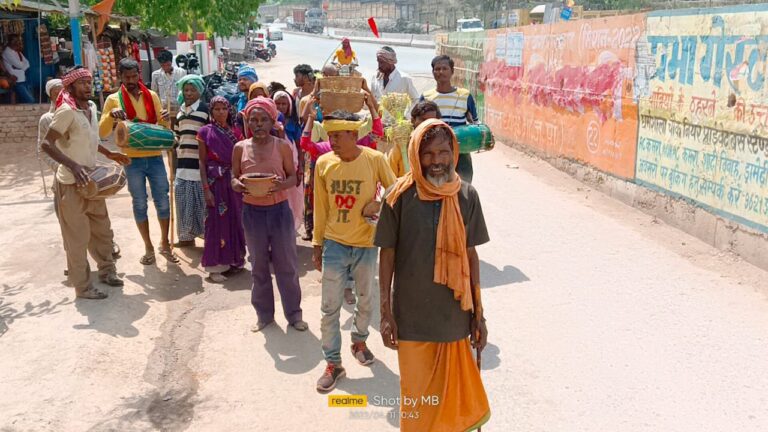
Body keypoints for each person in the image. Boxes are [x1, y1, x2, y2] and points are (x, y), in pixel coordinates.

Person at [376, 119, 490, 431]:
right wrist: (386, 314)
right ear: (415, 154)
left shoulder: (467, 197)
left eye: (443, 152)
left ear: (454, 153)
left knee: (452, 405)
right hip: (411, 319)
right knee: (417, 399)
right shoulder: (396, 197)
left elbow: (470, 255)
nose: (436, 161)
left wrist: (479, 315)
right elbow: (386, 256)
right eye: (427, 154)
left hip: (454, 317)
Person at [312, 110, 396, 393]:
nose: (332, 141)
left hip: (366, 244)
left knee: (365, 300)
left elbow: (395, 190)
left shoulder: (375, 159)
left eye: (338, 136)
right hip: (334, 244)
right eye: (330, 135)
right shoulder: (323, 163)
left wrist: (379, 205)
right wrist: (316, 243)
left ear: (353, 135)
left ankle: (359, 341)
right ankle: (333, 363)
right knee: (329, 308)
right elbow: (320, 207)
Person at [40, 67, 130, 299]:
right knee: (77, 237)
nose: (88, 87)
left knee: (102, 230)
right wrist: (73, 165)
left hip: (92, 181)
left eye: (90, 82)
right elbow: (47, 144)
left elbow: (92, 138)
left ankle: (107, 271)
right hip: (70, 183)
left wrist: (110, 155)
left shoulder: (90, 108)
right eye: (83, 83)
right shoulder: (66, 111)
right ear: (70, 87)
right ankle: (82, 286)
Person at [232, 98, 308, 333]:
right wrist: (239, 185)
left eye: (263, 119)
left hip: (279, 212)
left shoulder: (282, 146)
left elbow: (293, 178)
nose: (258, 124)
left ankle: (294, 315)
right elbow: (234, 178)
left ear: (272, 121)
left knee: (287, 266)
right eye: (253, 119)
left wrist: (278, 186)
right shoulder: (240, 148)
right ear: (247, 122)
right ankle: (264, 315)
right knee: (259, 267)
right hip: (253, 213)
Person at [99, 58, 176, 265]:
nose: (131, 80)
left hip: (154, 157)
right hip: (130, 159)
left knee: (162, 200)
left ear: (139, 75)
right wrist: (112, 117)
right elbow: (102, 131)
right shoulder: (113, 100)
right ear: (120, 77)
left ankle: (164, 244)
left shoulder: (151, 96)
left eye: (134, 76)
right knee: (139, 203)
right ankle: (148, 247)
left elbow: (160, 126)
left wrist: (166, 118)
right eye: (127, 77)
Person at [197, 96, 246, 282]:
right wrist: (206, 189)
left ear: (229, 110)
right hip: (215, 183)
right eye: (216, 109)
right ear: (211, 111)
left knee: (235, 220)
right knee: (215, 223)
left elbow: (241, 158)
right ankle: (215, 267)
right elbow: (202, 161)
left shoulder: (236, 132)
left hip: (233, 181)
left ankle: (234, 261)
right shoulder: (204, 132)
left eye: (223, 108)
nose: (220, 112)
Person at [421, 55, 479, 183]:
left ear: (452, 71)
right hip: (434, 154)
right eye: (437, 69)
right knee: (435, 188)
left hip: (461, 153)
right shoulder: (426, 97)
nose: (440, 72)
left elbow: (475, 123)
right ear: (433, 72)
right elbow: (419, 124)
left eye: (444, 68)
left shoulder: (464, 95)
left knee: (463, 189)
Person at [173, 74, 209, 247]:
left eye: (192, 90)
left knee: (200, 204)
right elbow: (177, 135)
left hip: (198, 165)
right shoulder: (179, 111)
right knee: (183, 203)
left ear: (199, 91)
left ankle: (207, 237)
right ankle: (186, 238)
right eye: (186, 90)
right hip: (182, 165)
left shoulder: (205, 110)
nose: (189, 93)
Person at [273, 90, 305, 230]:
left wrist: (300, 169)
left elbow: (299, 147)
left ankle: (290, 228)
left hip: (293, 165)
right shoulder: (268, 123)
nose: (280, 106)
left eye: (284, 104)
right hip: (276, 166)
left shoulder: (293, 124)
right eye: (277, 103)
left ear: (289, 105)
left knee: (293, 198)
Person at [388, 100, 442, 177]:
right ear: (413, 120)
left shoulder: (441, 145)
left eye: (431, 121)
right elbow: (390, 175)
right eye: (424, 120)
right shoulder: (402, 145)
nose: (427, 125)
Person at [150, 50, 186, 120]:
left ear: (171, 62)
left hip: (178, 108)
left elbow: (184, 90)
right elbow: (154, 93)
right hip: (163, 110)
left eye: (168, 65)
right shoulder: (156, 75)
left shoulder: (181, 72)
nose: (166, 67)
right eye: (163, 65)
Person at [2, 35, 34, 103]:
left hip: (23, 79)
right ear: (10, 41)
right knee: (30, 101)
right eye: (15, 41)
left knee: (25, 101)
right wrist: (21, 66)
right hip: (16, 80)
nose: (18, 42)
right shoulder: (7, 52)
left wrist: (21, 67)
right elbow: (19, 65)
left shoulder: (17, 52)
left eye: (18, 41)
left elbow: (27, 63)